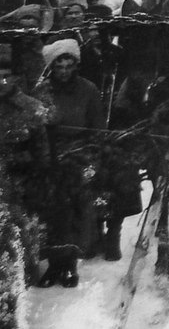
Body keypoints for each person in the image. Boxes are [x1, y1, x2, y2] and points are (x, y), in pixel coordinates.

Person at [34, 39, 105, 287]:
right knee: (52, 209)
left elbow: (98, 129)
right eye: (59, 67)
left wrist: (92, 160)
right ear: (52, 68)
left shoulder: (89, 90)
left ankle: (71, 266)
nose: (64, 71)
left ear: (75, 65)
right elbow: (36, 127)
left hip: (81, 153)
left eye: (68, 66)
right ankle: (54, 266)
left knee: (78, 207)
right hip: (50, 153)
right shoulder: (42, 91)